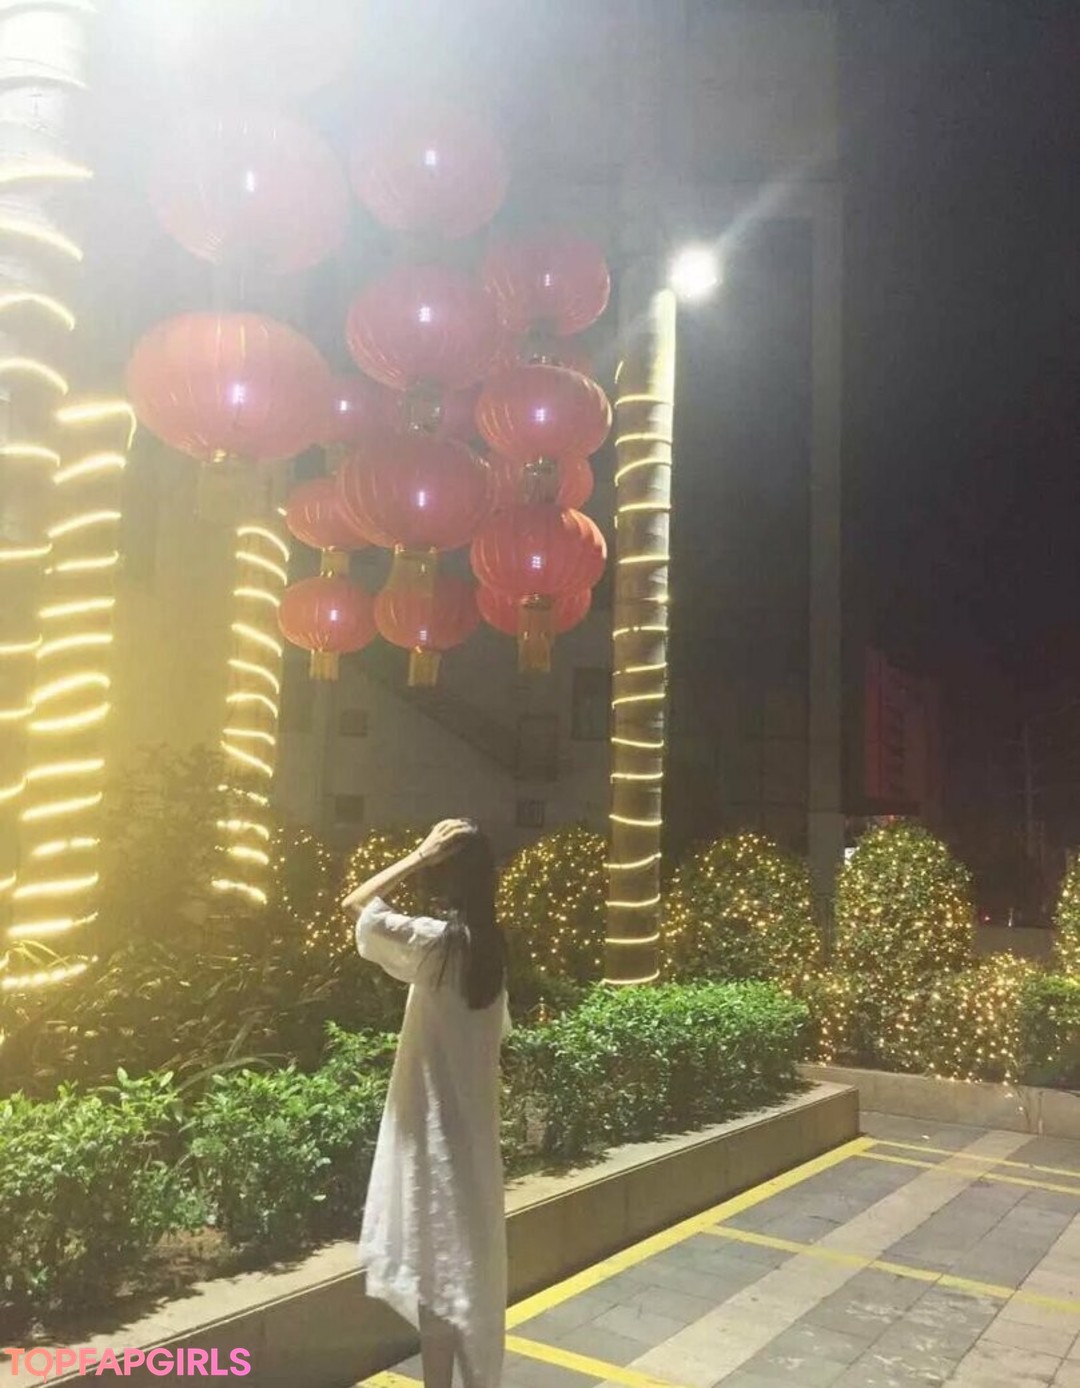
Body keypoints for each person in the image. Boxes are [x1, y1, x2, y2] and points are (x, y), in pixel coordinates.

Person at [343, 818, 510, 1388]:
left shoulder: (437, 944)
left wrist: (418, 855)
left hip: (432, 1134)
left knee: (434, 1274)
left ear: (450, 878)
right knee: (462, 1275)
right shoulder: (489, 950)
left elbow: (357, 903)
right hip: (474, 1144)